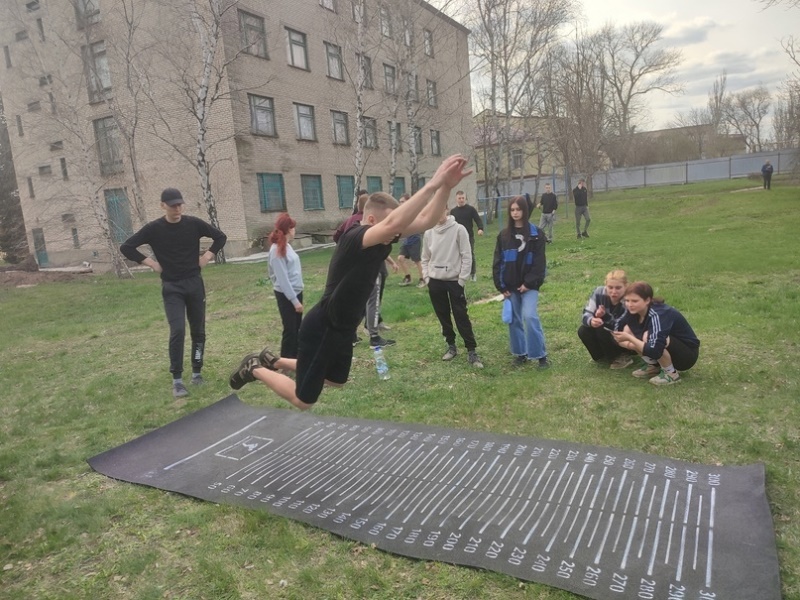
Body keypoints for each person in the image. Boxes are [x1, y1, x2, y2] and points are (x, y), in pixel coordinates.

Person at [228, 154, 472, 410]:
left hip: (343, 327)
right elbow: (393, 223)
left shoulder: (382, 237)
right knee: (304, 400)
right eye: (388, 224)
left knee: (335, 381)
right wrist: (433, 184)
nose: (395, 231)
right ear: (370, 220)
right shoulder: (356, 237)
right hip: (324, 324)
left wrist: (446, 187)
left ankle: (273, 360)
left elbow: (426, 221)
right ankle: (254, 368)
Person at [120, 188, 227, 398]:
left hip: (194, 284)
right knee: (178, 330)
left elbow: (220, 237)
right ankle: (177, 380)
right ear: (163, 206)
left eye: (179, 204)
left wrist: (206, 257)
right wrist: (151, 263)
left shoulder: (193, 224)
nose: (177, 209)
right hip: (172, 287)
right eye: (172, 205)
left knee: (198, 330)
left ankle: (197, 373)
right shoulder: (154, 229)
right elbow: (127, 247)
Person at [421, 207, 483, 368]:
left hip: (454, 281)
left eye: (441, 208)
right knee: (443, 316)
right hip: (435, 281)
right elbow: (425, 258)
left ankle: (471, 350)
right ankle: (451, 345)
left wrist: (461, 279)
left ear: (446, 209)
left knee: (461, 315)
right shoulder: (429, 233)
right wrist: (427, 277)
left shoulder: (458, 229)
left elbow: (466, 255)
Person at [492, 196, 549, 368]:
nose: (515, 213)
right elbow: (498, 262)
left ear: (524, 211)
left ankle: (540, 356)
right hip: (510, 288)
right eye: (512, 210)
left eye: (519, 209)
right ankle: (520, 354)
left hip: (529, 286)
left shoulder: (536, 235)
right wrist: (501, 287)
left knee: (530, 316)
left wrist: (529, 283)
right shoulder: (503, 236)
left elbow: (540, 265)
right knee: (514, 320)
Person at [611, 281, 700, 386]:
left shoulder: (658, 314)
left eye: (635, 301)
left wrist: (630, 339)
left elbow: (655, 350)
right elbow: (617, 332)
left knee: (647, 337)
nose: (630, 305)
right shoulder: (632, 311)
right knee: (627, 329)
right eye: (627, 300)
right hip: (659, 349)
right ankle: (653, 366)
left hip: (686, 355)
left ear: (647, 300)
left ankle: (671, 374)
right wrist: (628, 340)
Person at [577, 269, 634, 368]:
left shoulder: (630, 298)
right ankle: (602, 357)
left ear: (626, 286)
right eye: (610, 287)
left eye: (618, 288)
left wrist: (603, 317)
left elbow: (624, 325)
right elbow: (586, 313)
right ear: (605, 285)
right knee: (583, 330)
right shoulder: (599, 292)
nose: (613, 291)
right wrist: (592, 320)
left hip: (626, 335)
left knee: (602, 328)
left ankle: (623, 356)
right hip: (607, 329)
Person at [268, 213, 304, 359]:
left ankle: (295, 359)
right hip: (286, 295)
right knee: (290, 329)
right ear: (289, 229)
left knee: (297, 328)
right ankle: (285, 362)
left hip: (296, 291)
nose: (295, 230)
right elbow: (281, 279)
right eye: (293, 227)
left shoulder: (287, 246)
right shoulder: (276, 250)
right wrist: (294, 301)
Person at [449, 190, 484, 281]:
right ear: (456, 199)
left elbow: (478, 220)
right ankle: (460, 274)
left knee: (470, 255)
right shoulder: (453, 211)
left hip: (469, 237)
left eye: (463, 198)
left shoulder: (471, 209)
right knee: (457, 256)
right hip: (457, 238)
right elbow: (450, 224)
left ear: (465, 198)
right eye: (459, 198)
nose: (461, 200)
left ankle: (473, 274)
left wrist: (480, 228)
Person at [396, 194, 425, 288]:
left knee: (417, 261)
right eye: (399, 202)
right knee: (400, 258)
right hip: (406, 241)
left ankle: (423, 279)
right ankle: (408, 278)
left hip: (414, 239)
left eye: (402, 201)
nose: (400, 203)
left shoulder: (413, 212)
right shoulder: (401, 213)